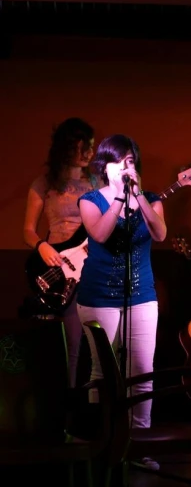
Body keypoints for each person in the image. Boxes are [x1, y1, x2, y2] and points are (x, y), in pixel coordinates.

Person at [76, 134, 167, 469]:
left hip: (142, 296)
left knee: (143, 370)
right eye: (119, 161)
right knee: (104, 371)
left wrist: (138, 196)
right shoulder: (89, 201)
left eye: (131, 160)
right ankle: (104, 442)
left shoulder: (152, 199)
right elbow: (99, 234)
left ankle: (138, 446)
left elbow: (160, 234)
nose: (126, 166)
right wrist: (117, 198)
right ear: (105, 166)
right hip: (98, 295)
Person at [23, 117, 98, 388]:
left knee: (99, 341)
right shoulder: (44, 183)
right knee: (73, 342)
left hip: (94, 263)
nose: (90, 153)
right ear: (67, 149)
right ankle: (70, 406)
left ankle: (96, 405)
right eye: (83, 147)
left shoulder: (97, 182)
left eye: (91, 146)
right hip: (59, 266)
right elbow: (28, 230)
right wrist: (41, 246)